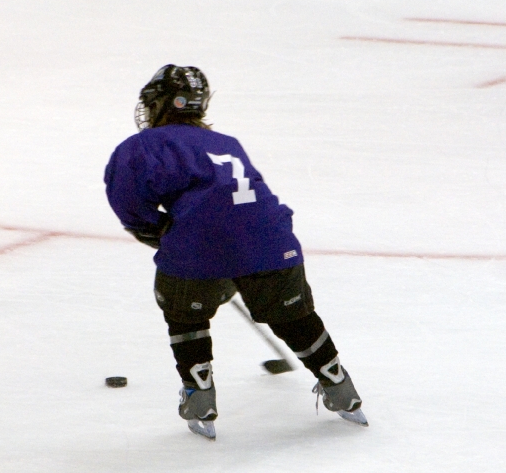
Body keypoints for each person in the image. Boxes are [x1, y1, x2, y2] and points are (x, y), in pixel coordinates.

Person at [104, 64, 366, 439]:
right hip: (272, 242)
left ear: (160, 103)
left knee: (184, 311)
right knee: (293, 315)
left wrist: (165, 234)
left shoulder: (142, 147)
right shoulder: (226, 143)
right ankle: (340, 386)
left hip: (198, 249)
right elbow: (243, 203)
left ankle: (199, 395)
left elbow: (129, 203)